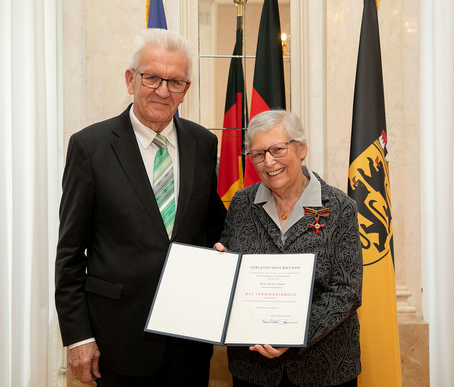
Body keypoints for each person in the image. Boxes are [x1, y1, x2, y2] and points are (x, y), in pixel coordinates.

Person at [55, 28, 226, 386]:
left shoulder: (203, 142)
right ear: (131, 79)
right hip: (117, 340)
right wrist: (78, 337)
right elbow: (70, 254)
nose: (163, 90)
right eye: (152, 78)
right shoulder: (90, 147)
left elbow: (213, 225)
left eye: (175, 81)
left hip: (189, 342)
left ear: (186, 90)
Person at [214, 110, 362, 387]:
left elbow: (347, 290)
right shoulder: (242, 203)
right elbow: (233, 267)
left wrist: (294, 334)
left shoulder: (340, 207)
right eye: (258, 154)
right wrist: (222, 265)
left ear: (301, 148)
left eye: (278, 149)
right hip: (253, 370)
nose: (269, 162)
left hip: (325, 369)